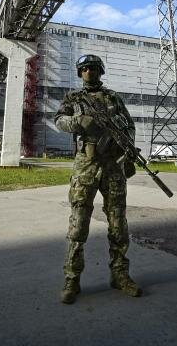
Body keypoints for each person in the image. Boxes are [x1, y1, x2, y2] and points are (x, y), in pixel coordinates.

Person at [54, 54, 142, 304]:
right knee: (79, 223)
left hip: (113, 165)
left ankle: (120, 275)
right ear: (80, 73)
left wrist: (129, 153)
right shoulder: (73, 98)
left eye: (93, 68)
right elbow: (58, 120)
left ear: (101, 71)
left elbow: (129, 127)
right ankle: (72, 279)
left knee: (118, 224)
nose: (89, 72)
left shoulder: (114, 97)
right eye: (84, 69)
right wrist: (78, 122)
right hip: (86, 165)